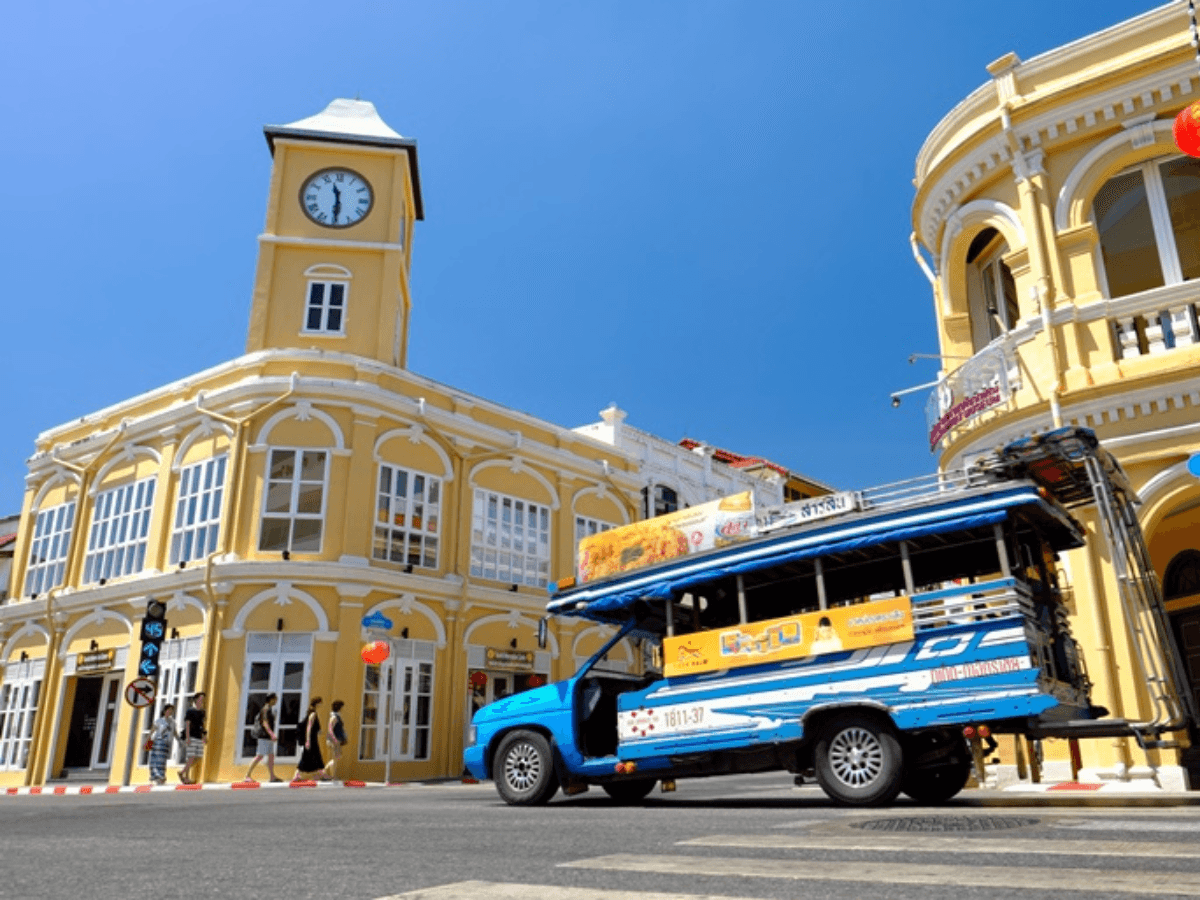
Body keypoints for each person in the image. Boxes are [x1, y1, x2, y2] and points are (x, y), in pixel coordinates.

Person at [244, 693, 282, 783]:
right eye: (275, 699)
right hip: (264, 737)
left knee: (271, 756)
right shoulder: (265, 709)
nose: (276, 701)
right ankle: (247, 776)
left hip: (267, 737)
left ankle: (272, 776)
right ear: (271, 699)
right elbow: (265, 723)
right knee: (259, 756)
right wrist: (272, 734)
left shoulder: (269, 709)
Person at [292, 696, 328, 782]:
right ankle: (322, 775)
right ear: (317, 703)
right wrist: (307, 741)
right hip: (311, 740)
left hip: (312, 739)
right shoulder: (313, 714)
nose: (321, 704)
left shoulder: (311, 712)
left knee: (311, 757)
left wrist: (318, 731)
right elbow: (308, 728)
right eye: (320, 703)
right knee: (312, 757)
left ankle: (320, 775)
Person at [178, 692, 207, 785]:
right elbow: (187, 724)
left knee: (198, 757)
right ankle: (186, 778)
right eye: (200, 698)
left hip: (199, 736)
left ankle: (182, 772)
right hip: (191, 736)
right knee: (191, 757)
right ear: (196, 699)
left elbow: (202, 725)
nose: (202, 700)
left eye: (203, 699)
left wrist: (204, 736)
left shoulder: (202, 712)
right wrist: (187, 737)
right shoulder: (190, 711)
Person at [147, 703, 177, 785]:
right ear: (164, 711)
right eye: (169, 710)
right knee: (155, 760)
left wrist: (180, 741)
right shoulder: (159, 721)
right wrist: (147, 740)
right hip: (157, 742)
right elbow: (152, 731)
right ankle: (155, 777)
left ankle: (161, 777)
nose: (170, 711)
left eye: (172, 710)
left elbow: (175, 733)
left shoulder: (172, 722)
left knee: (162, 761)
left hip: (165, 744)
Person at [322, 699, 347, 781]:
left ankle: (324, 772)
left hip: (337, 740)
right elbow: (330, 729)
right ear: (339, 707)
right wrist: (335, 740)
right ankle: (332, 776)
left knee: (337, 758)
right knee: (335, 759)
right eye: (342, 707)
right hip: (334, 740)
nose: (343, 709)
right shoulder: (334, 717)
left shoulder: (337, 716)